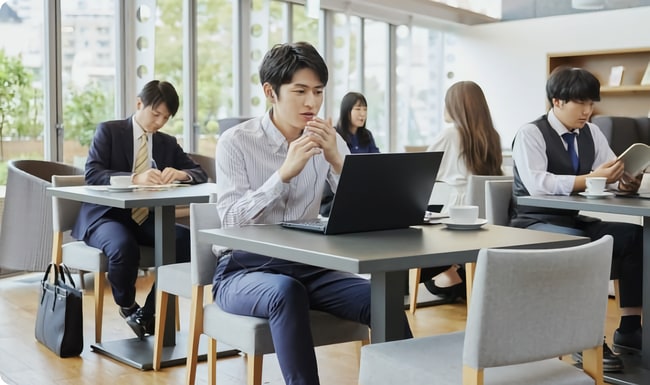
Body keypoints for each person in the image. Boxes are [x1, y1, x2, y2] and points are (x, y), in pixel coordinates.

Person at [212, 42, 410, 385]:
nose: (312, 102)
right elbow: (230, 221)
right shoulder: (236, 142)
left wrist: (337, 160)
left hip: (311, 268)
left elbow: (367, 211)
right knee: (285, 291)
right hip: (243, 269)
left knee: (382, 299)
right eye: (300, 91)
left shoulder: (328, 139)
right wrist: (282, 175)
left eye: (318, 91)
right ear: (270, 92)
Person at [510, 66, 642, 372]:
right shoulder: (531, 132)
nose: (587, 111)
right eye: (580, 103)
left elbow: (605, 172)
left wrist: (623, 180)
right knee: (582, 245)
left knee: (635, 237)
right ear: (557, 102)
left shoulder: (591, 132)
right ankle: (585, 340)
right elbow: (538, 184)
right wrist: (590, 179)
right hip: (531, 223)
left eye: (591, 103)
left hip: (572, 221)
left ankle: (630, 330)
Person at [71, 80, 208, 339]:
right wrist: (135, 178)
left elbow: (200, 173)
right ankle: (128, 306)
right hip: (105, 216)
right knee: (124, 248)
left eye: (166, 118)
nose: (159, 122)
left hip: (146, 218)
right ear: (139, 104)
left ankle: (148, 312)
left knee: (188, 243)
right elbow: (93, 173)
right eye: (155, 114)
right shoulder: (110, 131)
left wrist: (180, 173)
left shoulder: (167, 143)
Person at [420, 81, 503, 302]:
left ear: (456, 107)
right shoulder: (492, 136)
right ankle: (463, 274)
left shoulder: (450, 134)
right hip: (484, 214)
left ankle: (452, 273)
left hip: (455, 215)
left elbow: (420, 171)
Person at [320, 91, 379, 216]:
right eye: (358, 109)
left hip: (364, 187)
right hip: (337, 193)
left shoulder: (366, 135)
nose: (362, 114)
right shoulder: (335, 136)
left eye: (365, 109)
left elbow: (377, 162)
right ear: (347, 112)